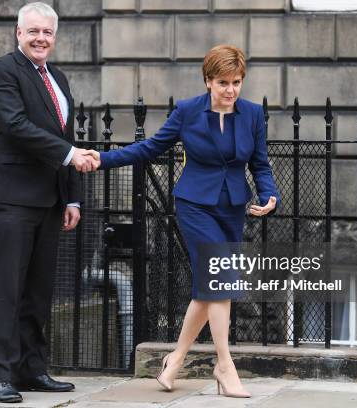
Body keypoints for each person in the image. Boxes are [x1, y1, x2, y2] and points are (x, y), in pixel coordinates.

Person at [88, 45, 280, 398]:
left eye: (237, 82)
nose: (231, 90)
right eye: (223, 82)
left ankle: (175, 359)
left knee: (209, 290)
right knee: (220, 280)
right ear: (208, 80)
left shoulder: (252, 114)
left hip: (232, 208)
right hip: (194, 205)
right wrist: (102, 159)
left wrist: (269, 195)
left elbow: (260, 164)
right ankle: (224, 365)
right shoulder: (188, 112)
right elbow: (149, 148)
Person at [0, 2, 98, 403]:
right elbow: (16, 126)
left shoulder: (58, 78)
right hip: (13, 196)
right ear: (18, 32)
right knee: (6, 290)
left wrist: (73, 199)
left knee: (38, 291)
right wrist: (70, 156)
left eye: (47, 33)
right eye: (33, 31)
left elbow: (63, 136)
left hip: (50, 201)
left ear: (55, 37)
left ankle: (32, 369)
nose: (40, 39)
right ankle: (0, 375)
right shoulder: (1, 72)